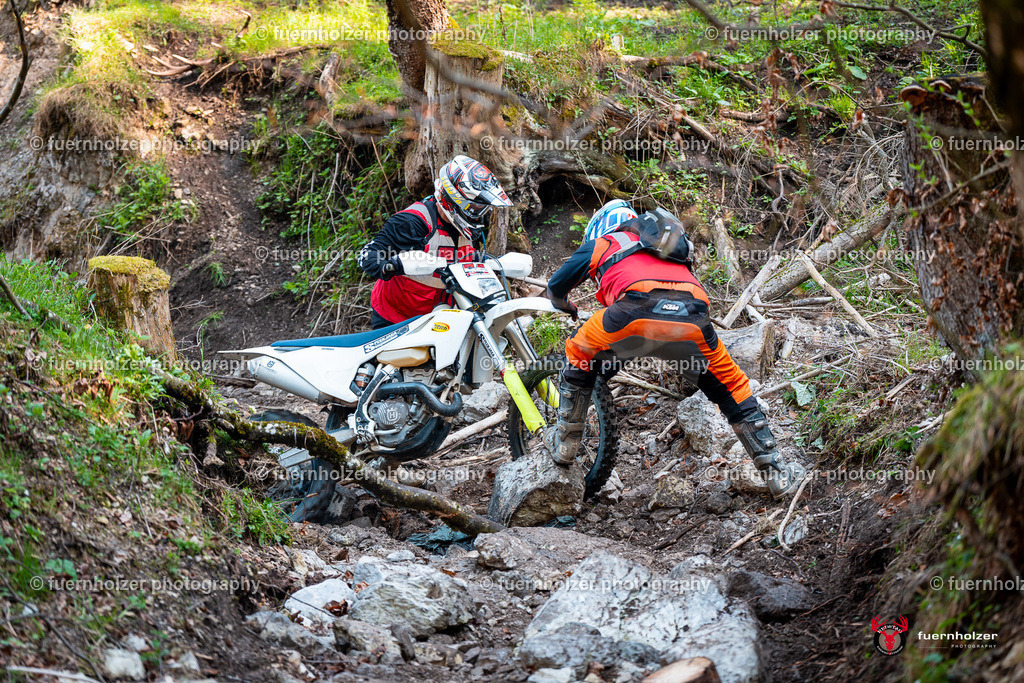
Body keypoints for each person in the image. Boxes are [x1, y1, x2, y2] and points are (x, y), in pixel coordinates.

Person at [542, 200, 803, 499]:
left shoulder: (604, 242)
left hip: (632, 315)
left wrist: (565, 304)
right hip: (691, 320)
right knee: (732, 386)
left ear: (601, 226)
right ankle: (776, 473)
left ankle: (565, 442)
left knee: (579, 350)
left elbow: (557, 285)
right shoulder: (669, 247)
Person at [358, 155, 513, 329]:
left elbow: (460, 257)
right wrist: (393, 265)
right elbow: (367, 255)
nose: (479, 214)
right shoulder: (412, 223)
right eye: (475, 208)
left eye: (482, 208)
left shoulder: (468, 228)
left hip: (439, 317)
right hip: (395, 318)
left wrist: (488, 263)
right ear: (455, 200)